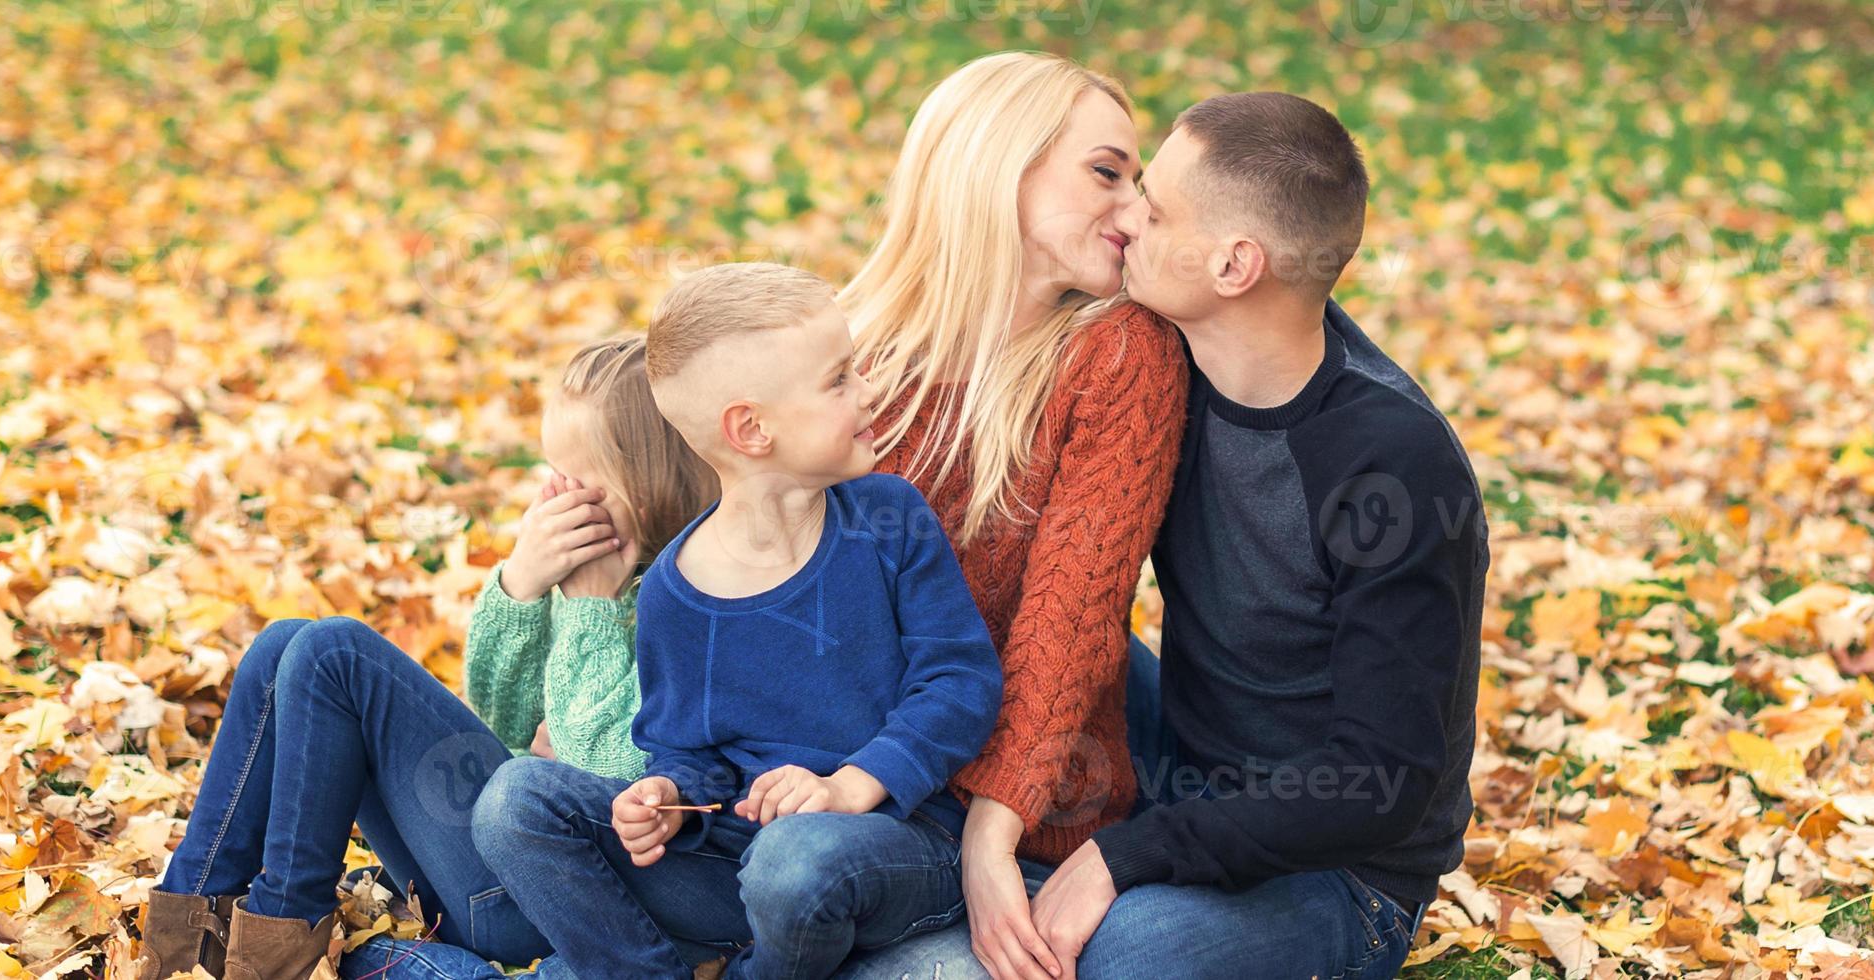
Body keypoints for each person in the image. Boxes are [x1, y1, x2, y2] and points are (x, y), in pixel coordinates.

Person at [841, 93, 1487, 980]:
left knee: (1123, 956)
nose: (1127, 215)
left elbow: (1383, 781)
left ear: (1233, 265)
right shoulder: (1164, 360)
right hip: (1183, 750)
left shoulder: (1389, 464)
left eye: (1154, 205)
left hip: (1337, 866)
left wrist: (1124, 856)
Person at [471, 262, 1005, 979]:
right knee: (514, 801)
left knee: (795, 860)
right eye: (840, 380)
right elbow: (691, 753)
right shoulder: (672, 592)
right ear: (750, 428)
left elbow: (960, 682)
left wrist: (848, 786)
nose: (869, 391)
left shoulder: (887, 518)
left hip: (893, 841)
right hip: (733, 860)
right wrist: (667, 798)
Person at [137, 337, 714, 980]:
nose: (554, 497)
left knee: (334, 654)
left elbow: (606, 782)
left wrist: (589, 617)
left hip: (557, 897)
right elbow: (505, 723)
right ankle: (184, 939)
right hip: (488, 858)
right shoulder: (604, 572)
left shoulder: (688, 602)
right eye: (551, 474)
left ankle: (282, 948)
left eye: (578, 482)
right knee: (284, 647)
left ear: (650, 486)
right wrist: (522, 586)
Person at [841, 51, 1190, 979]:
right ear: (999, 161)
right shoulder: (846, 348)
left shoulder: (1119, 351)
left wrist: (992, 836)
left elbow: (1070, 618)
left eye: (1141, 185)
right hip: (824, 780)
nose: (1134, 212)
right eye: (1106, 172)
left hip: (1009, 806)